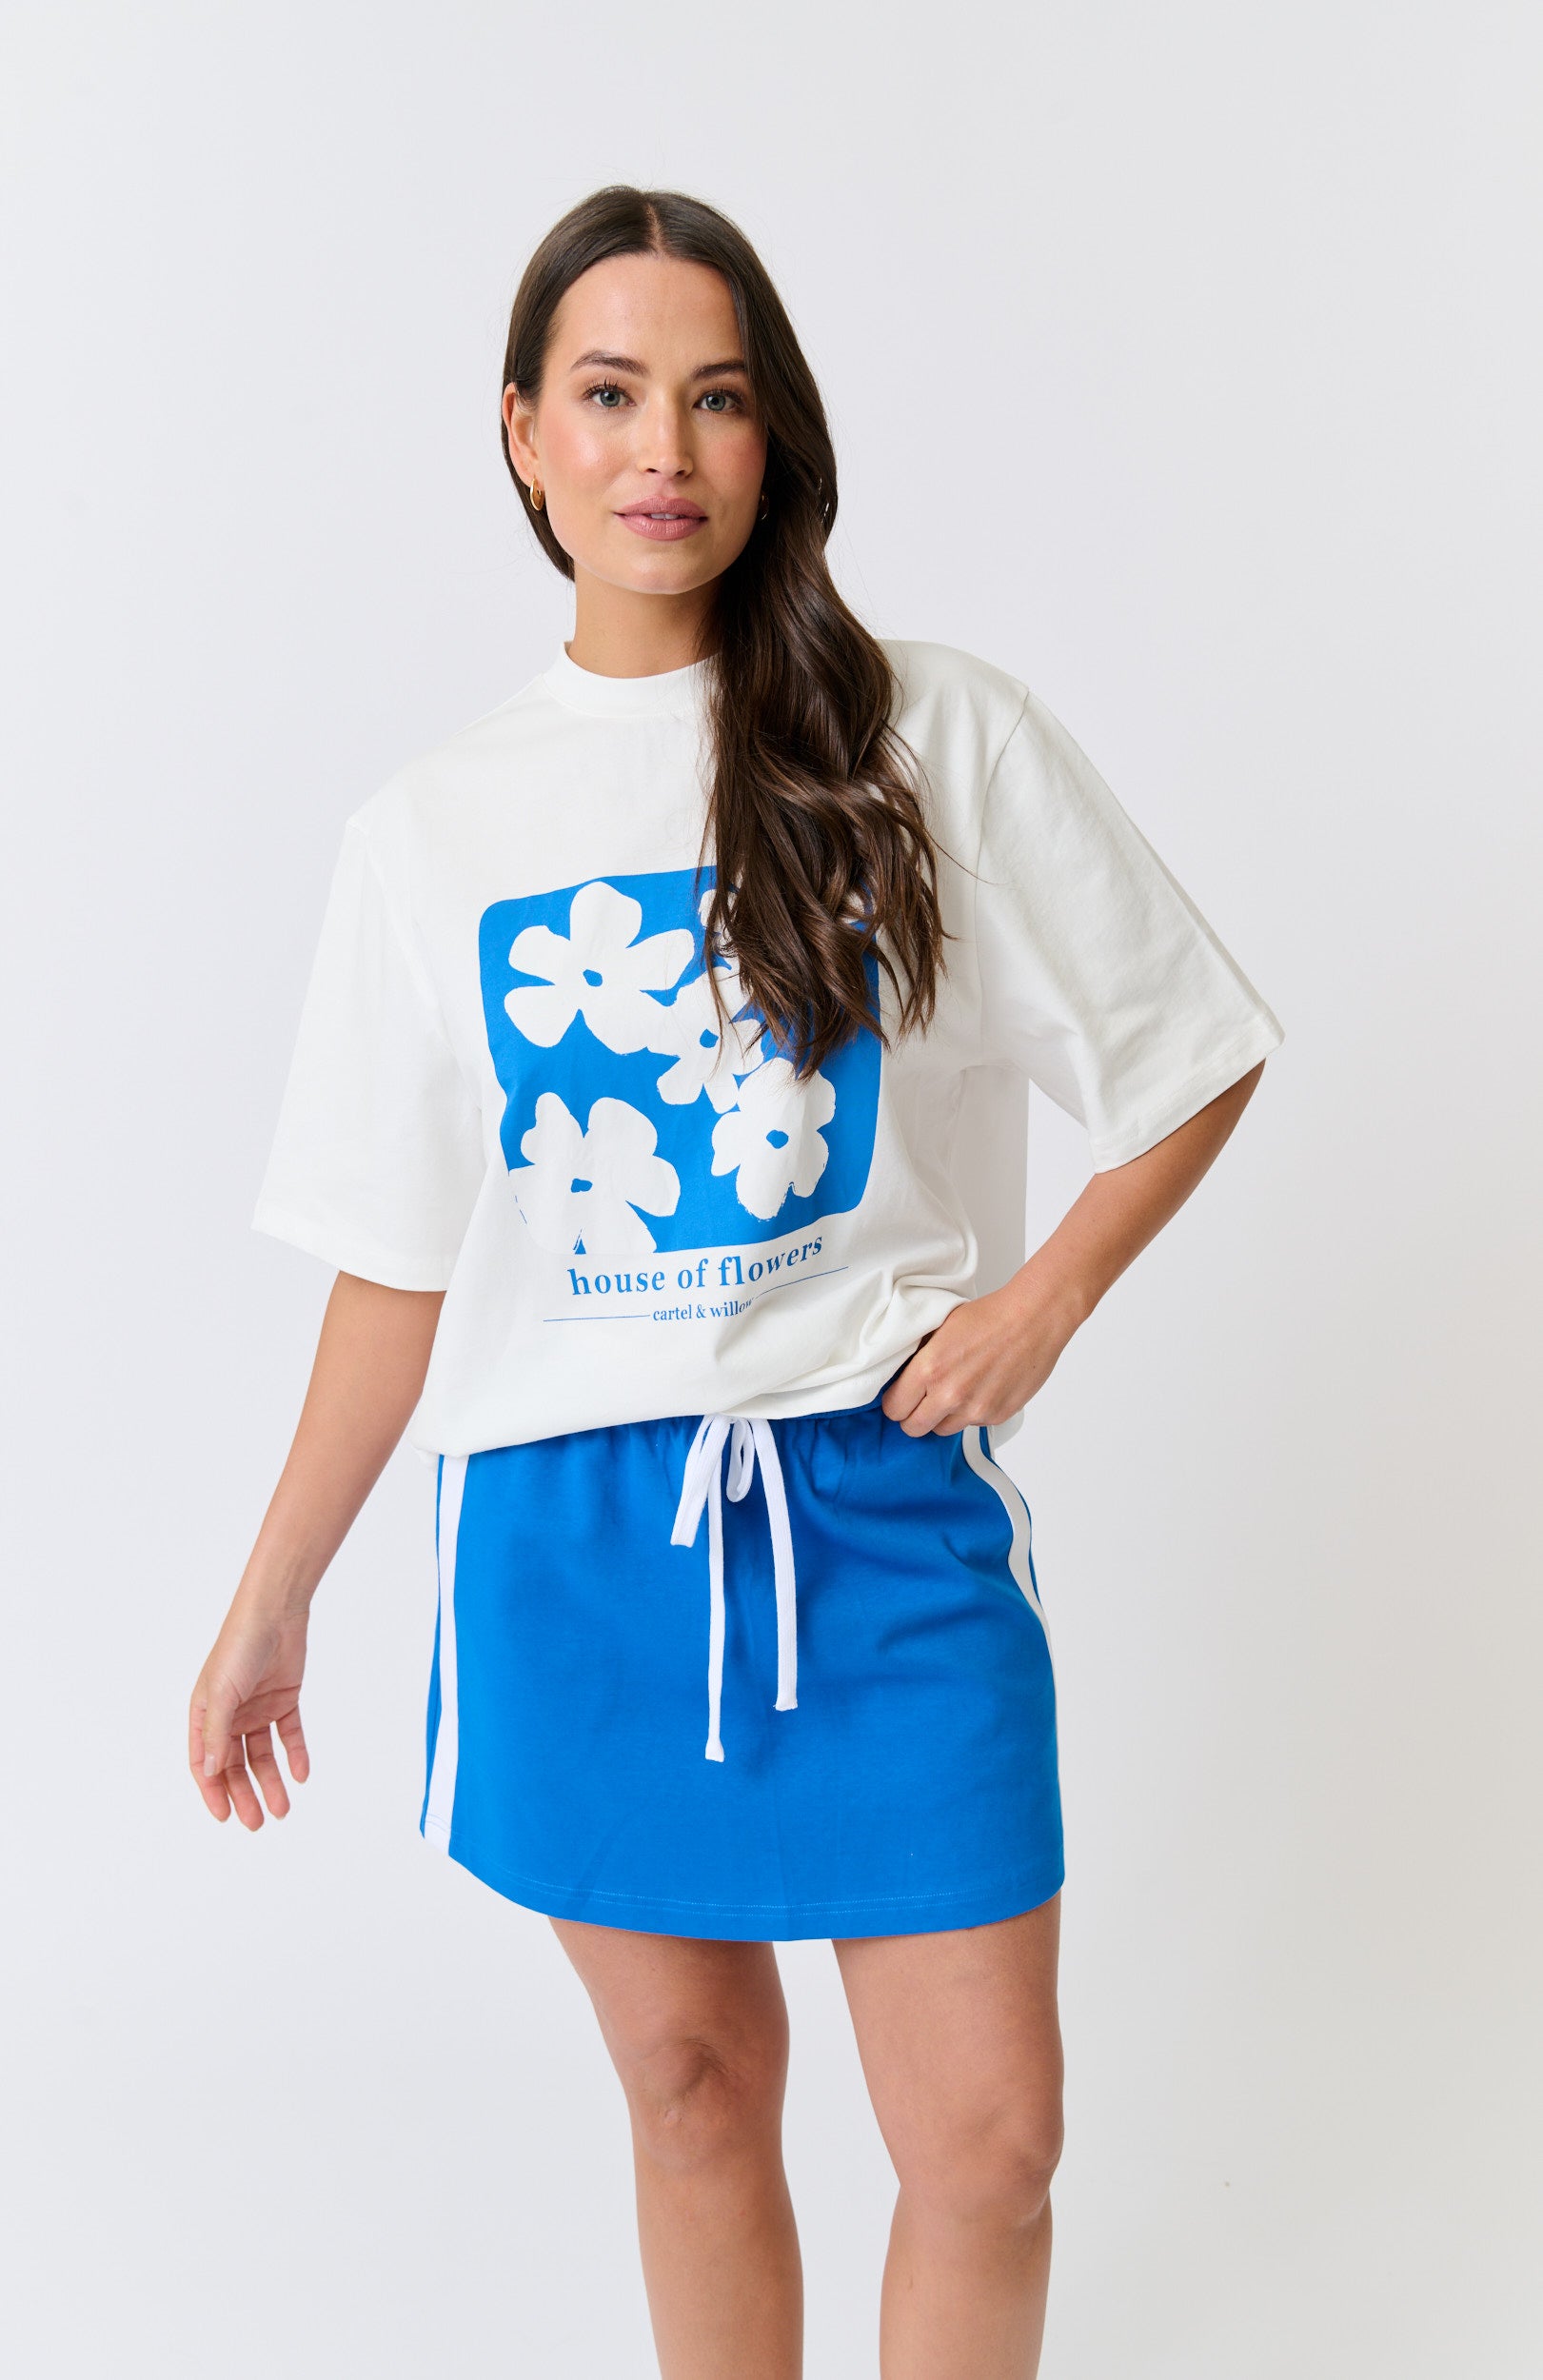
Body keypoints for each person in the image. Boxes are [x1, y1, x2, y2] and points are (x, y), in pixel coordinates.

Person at [188, 184, 1282, 2380]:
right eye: (608, 395)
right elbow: (395, 1267)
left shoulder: (921, 733)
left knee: (987, 2141)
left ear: (773, 436)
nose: (661, 448)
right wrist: (271, 1592)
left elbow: (1186, 1049)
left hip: (878, 1508)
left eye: (714, 396)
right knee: (694, 2093)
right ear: (524, 433)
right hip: (573, 1538)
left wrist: (1045, 1299)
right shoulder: (431, 833)